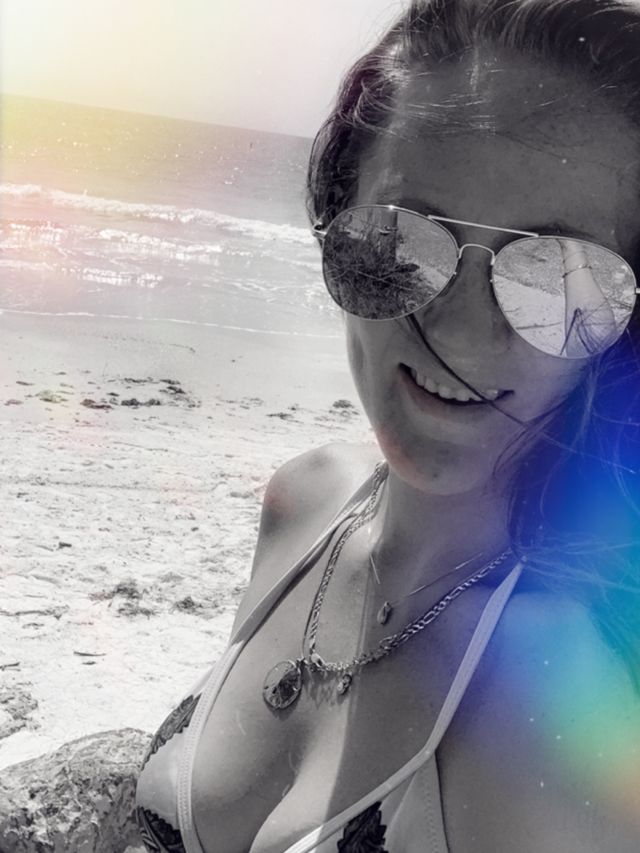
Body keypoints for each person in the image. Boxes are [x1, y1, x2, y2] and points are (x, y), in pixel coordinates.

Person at [135, 1, 640, 850]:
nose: (461, 335)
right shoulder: (307, 502)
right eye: (400, 241)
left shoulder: (550, 691)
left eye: (559, 278)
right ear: (334, 222)